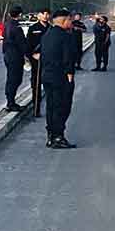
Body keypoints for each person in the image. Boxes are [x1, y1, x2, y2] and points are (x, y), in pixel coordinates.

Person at [40, 9, 78, 149]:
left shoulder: (47, 34)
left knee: (51, 106)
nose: (71, 22)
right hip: (61, 77)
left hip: (48, 76)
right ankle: (58, 136)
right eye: (70, 20)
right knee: (62, 107)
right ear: (64, 21)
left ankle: (50, 136)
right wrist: (70, 75)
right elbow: (68, 57)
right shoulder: (66, 37)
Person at [1, 6, 29, 112]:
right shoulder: (16, 27)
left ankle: (10, 101)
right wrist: (28, 55)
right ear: (20, 15)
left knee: (11, 79)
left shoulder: (7, 24)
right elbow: (22, 44)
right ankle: (11, 103)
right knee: (15, 80)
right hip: (15, 57)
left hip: (8, 55)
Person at [26, 8, 51, 118]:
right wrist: (32, 55)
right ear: (38, 15)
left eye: (47, 14)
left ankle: (51, 110)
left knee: (50, 86)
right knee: (36, 86)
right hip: (37, 61)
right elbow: (28, 46)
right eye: (43, 14)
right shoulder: (33, 28)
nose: (45, 16)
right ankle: (36, 110)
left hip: (50, 62)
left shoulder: (52, 28)